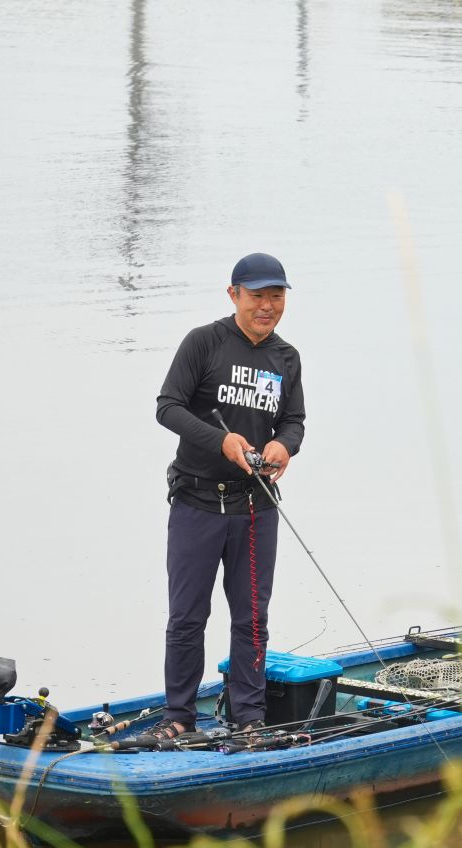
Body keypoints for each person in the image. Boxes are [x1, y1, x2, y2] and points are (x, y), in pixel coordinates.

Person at [149, 252, 306, 745]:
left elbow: (294, 420)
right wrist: (220, 441)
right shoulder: (204, 342)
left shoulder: (286, 358)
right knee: (187, 617)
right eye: (257, 296)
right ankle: (179, 715)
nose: (267, 306)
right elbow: (168, 407)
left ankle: (249, 717)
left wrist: (284, 445)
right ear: (233, 294)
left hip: (255, 508)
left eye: (276, 296)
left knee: (252, 619)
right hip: (196, 503)